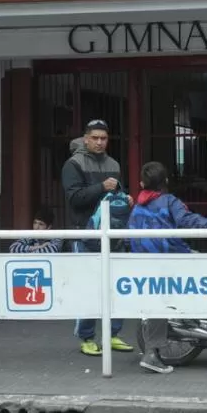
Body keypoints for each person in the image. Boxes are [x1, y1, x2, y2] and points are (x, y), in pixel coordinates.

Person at [128, 161, 207, 374]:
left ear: (142, 183)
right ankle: (198, 317)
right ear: (166, 182)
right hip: (171, 259)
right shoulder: (168, 201)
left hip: (144, 263)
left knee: (157, 300)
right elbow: (187, 220)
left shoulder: (137, 206)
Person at [60, 119, 134, 357]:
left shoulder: (113, 163)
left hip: (113, 234)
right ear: (85, 138)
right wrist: (102, 187)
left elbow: (116, 193)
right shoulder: (73, 164)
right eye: (95, 138)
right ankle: (87, 337)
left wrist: (126, 197)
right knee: (88, 289)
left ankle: (113, 334)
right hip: (85, 234)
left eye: (104, 138)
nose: (100, 142)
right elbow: (75, 199)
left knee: (117, 288)